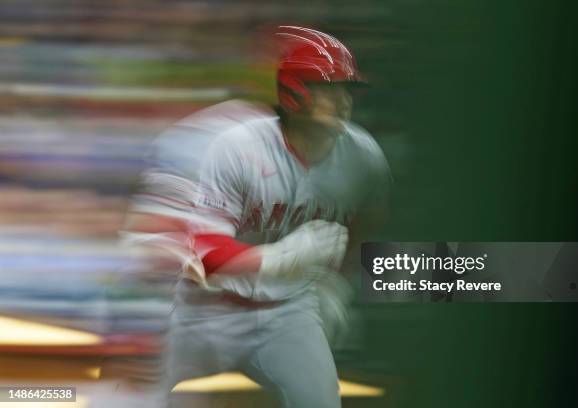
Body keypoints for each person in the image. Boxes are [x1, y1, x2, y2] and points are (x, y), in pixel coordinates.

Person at [125, 25, 391, 408]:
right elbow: (201, 250)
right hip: (205, 309)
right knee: (131, 395)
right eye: (328, 88)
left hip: (288, 312)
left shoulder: (363, 156)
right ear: (295, 92)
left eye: (346, 89)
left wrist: (339, 282)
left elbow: (369, 221)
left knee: (320, 401)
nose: (343, 100)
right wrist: (279, 259)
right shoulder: (236, 146)